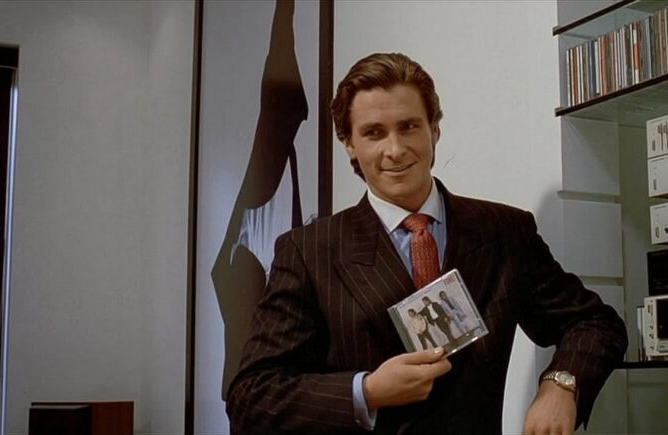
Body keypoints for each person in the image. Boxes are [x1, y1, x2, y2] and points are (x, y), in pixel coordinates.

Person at [226, 52, 627, 435]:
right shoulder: (308, 252)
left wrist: (562, 384)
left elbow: (594, 323)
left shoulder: (504, 232)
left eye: (409, 127)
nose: (395, 150)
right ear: (349, 143)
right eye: (374, 133)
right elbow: (251, 399)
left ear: (435, 128)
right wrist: (366, 392)